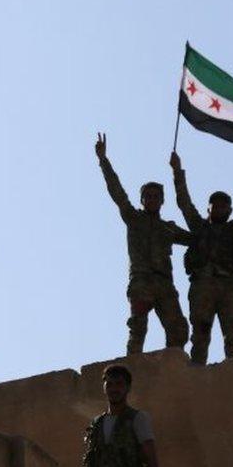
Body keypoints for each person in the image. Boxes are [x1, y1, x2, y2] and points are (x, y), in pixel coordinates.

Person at [95, 133, 192, 355]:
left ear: (162, 200)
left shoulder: (168, 228)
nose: (151, 199)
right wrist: (103, 160)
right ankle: (133, 366)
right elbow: (117, 191)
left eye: (156, 196)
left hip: (164, 283)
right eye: (147, 196)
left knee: (178, 329)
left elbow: (195, 240)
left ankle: (171, 368)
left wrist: (178, 172)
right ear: (142, 200)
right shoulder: (134, 218)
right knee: (138, 327)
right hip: (141, 281)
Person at [170, 151, 233, 365]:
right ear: (208, 208)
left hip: (229, 284)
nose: (219, 209)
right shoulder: (200, 227)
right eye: (215, 205)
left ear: (230, 210)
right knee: (200, 331)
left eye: (223, 206)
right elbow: (184, 202)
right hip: (204, 283)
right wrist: (177, 172)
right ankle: (198, 368)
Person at [82, 364, 158, 467]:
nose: (114, 389)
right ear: (104, 388)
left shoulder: (137, 419)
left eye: (119, 384)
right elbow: (91, 464)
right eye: (109, 384)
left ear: (127, 388)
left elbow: (152, 461)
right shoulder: (96, 424)